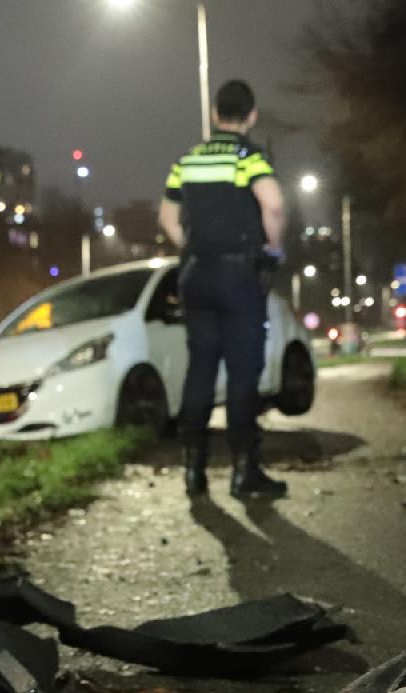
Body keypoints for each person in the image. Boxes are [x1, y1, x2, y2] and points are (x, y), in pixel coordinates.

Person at [159, 78, 288, 500]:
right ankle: (244, 471)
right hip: (238, 277)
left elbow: (166, 215)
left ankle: (193, 471)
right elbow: (273, 203)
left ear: (215, 114)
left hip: (197, 275)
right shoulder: (247, 157)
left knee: (200, 370)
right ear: (251, 117)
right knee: (241, 374)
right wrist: (271, 245)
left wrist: (193, 248)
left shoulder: (188, 159)